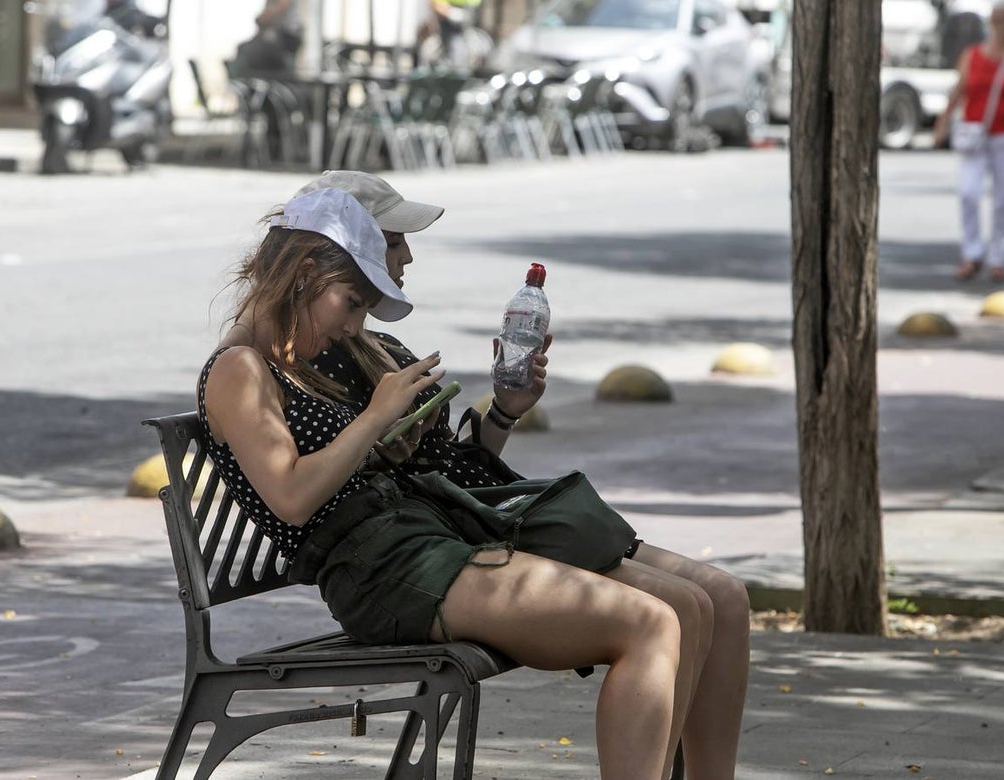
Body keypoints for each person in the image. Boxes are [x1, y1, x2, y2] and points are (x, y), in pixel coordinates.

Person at [202, 185, 693, 779]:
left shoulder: (296, 362)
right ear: (306, 272)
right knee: (651, 623)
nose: (354, 324)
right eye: (351, 301)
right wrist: (375, 420)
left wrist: (393, 439)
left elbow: (362, 466)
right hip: (384, 570)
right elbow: (293, 497)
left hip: (422, 544)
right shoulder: (238, 369)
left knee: (668, 612)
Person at [932, 0, 1004, 283]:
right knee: (968, 193)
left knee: (1002, 199)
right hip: (974, 135)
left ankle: (998, 259)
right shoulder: (972, 56)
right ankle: (972, 253)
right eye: (996, 19)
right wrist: (943, 122)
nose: (1000, 25)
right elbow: (958, 91)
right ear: (989, 22)